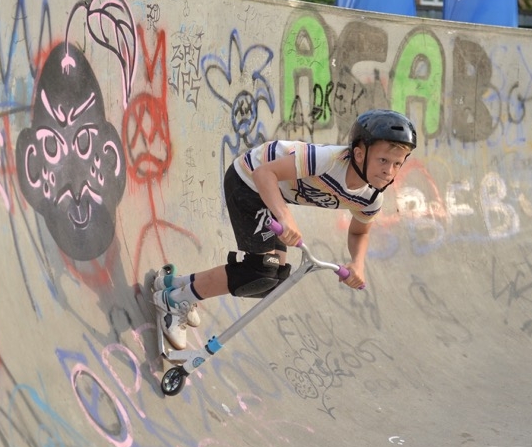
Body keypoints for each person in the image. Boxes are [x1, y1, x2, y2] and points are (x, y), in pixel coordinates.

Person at [152, 109, 417, 350]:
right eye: (383, 160)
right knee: (260, 271)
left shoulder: (370, 198)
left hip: (269, 197)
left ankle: (175, 286)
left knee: (275, 280)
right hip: (248, 180)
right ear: (359, 153)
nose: (389, 171)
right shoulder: (327, 160)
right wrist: (285, 217)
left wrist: (357, 263)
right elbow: (263, 174)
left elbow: (360, 232)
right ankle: (174, 302)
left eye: (397, 164)